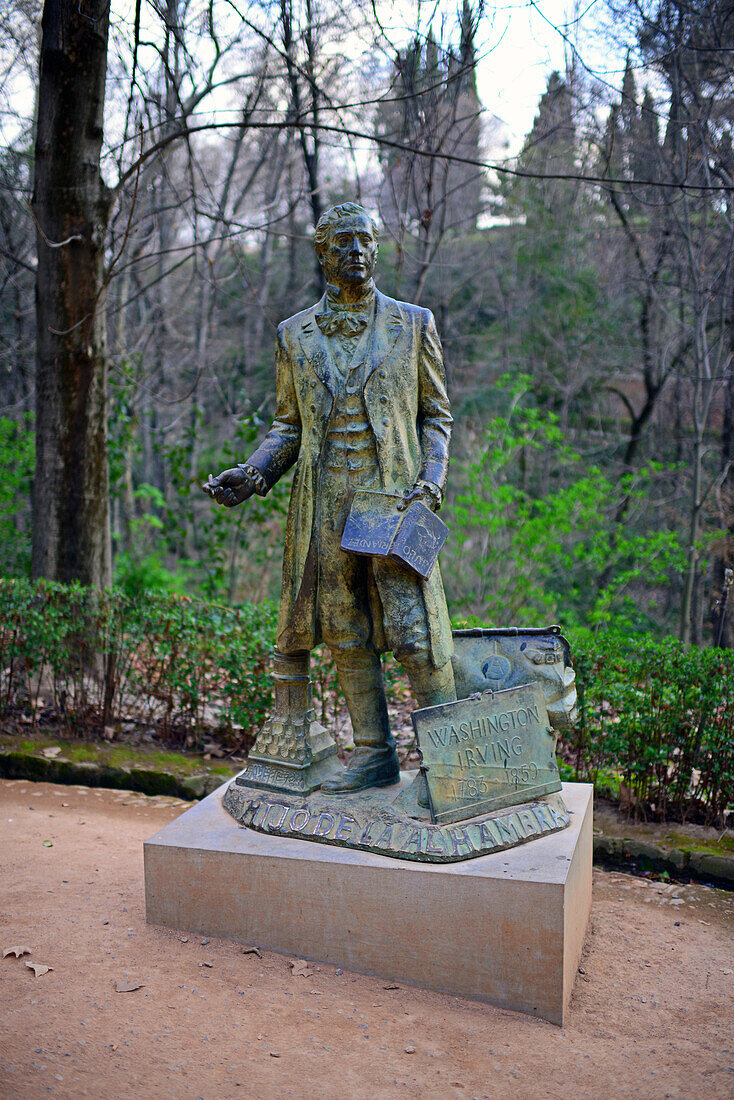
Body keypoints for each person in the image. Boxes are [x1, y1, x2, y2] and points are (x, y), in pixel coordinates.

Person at [206, 202, 456, 792]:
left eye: (366, 240)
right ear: (322, 253)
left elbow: (436, 415)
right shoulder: (293, 334)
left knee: (413, 630)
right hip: (325, 505)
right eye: (343, 242)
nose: (357, 252)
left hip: (394, 501)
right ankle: (374, 754)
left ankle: (446, 763)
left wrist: (432, 481)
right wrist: (255, 472)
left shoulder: (413, 323)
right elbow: (288, 424)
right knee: (344, 629)